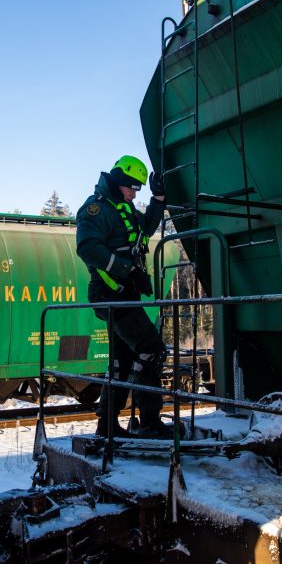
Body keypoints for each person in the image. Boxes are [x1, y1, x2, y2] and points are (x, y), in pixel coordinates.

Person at [75, 155, 172, 439]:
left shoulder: (124, 207)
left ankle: (107, 425)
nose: (134, 193)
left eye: (139, 189)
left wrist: (158, 197)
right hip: (109, 292)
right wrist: (129, 271)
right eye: (133, 187)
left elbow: (147, 228)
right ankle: (150, 422)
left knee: (124, 359)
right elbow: (88, 248)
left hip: (124, 293)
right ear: (119, 181)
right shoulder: (96, 209)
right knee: (151, 348)